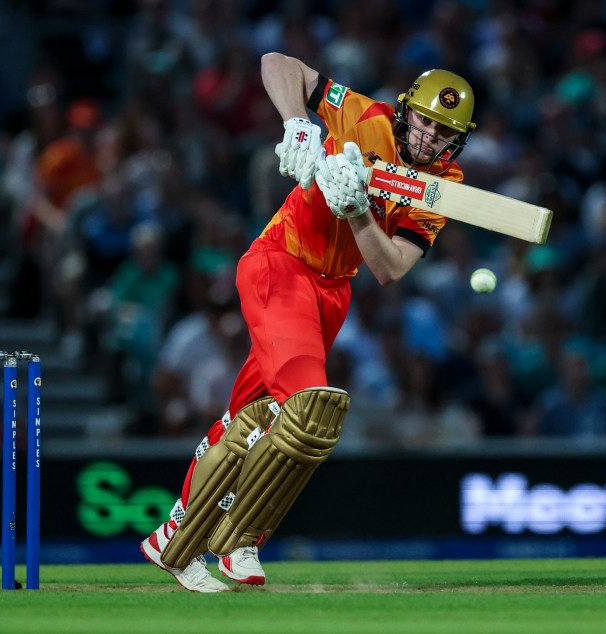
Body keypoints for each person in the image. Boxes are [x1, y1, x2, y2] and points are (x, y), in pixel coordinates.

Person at [140, 51, 476, 592]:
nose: (431, 137)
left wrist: (356, 210)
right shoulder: (364, 116)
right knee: (310, 411)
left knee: (246, 421)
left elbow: (389, 268)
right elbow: (277, 63)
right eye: (425, 122)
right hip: (282, 262)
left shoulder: (445, 185)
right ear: (406, 110)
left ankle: (174, 536)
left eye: (445, 133)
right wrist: (296, 123)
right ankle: (237, 542)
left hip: (332, 292)